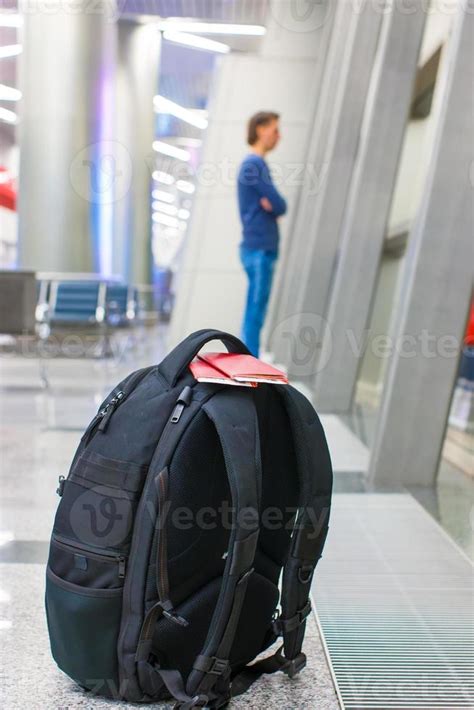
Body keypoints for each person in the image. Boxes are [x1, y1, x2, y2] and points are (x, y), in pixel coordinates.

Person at [237, 111, 287, 357]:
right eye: (275, 130)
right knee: (255, 312)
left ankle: (249, 363)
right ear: (260, 129)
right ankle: (249, 367)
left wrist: (274, 205)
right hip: (259, 248)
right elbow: (279, 204)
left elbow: (276, 204)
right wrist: (273, 205)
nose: (279, 136)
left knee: (255, 310)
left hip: (259, 247)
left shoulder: (257, 165)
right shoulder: (253, 165)